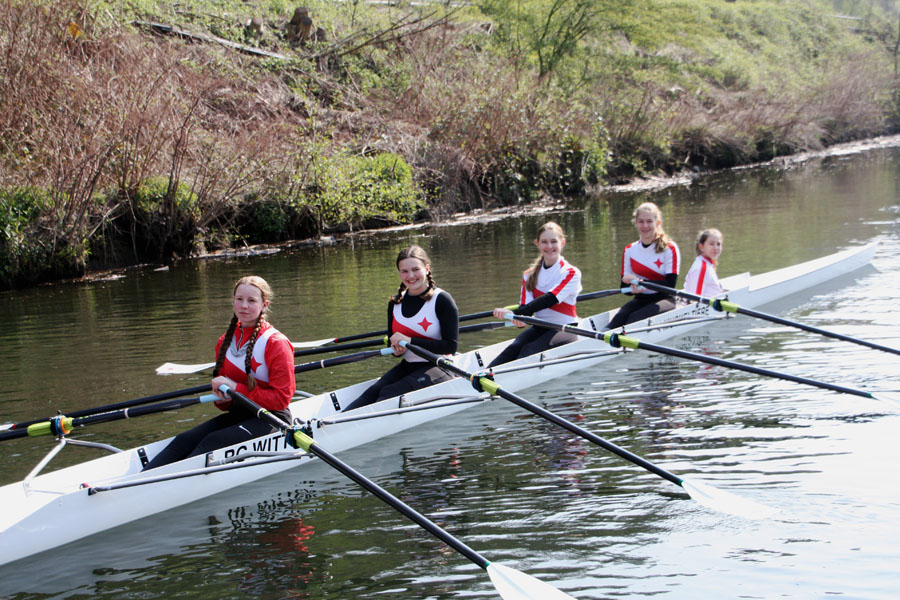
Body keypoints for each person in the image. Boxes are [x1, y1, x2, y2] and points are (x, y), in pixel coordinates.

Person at [144, 276, 296, 469]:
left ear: (264, 305)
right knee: (184, 440)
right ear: (233, 301)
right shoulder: (224, 342)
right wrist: (222, 398)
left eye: (251, 300)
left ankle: (168, 483)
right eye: (239, 299)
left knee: (212, 442)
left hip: (271, 418)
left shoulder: (276, 343)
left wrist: (235, 389)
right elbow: (224, 404)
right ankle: (140, 480)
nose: (244, 306)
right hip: (240, 414)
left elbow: (281, 399)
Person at [342, 246, 459, 412]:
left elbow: (450, 346)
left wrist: (410, 341)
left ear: (427, 269)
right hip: (408, 365)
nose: (410, 276)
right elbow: (393, 346)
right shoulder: (395, 303)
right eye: (404, 271)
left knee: (389, 393)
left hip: (440, 367)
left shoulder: (442, 300)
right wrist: (396, 349)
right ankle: (331, 423)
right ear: (399, 273)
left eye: (415, 269)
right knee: (369, 395)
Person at [487, 221, 582, 368]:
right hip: (539, 327)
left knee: (528, 352)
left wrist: (515, 313)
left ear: (562, 242)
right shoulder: (529, 275)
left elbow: (549, 299)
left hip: (565, 328)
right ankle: (483, 376)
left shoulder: (571, 273)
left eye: (553, 241)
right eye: (544, 242)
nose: (549, 246)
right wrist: (519, 320)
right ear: (537, 244)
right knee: (512, 350)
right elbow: (526, 309)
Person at [604, 202, 681, 330]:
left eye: (649, 221)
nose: (645, 226)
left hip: (665, 299)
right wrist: (631, 289)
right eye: (641, 221)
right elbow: (624, 288)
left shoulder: (669, 248)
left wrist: (642, 282)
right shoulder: (629, 250)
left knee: (635, 318)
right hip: (640, 299)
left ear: (657, 223)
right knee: (616, 321)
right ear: (636, 223)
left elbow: (670, 284)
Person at [684, 228, 725, 297]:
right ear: (701, 247)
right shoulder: (702, 268)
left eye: (718, 244)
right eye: (711, 244)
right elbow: (694, 299)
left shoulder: (708, 264)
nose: (716, 248)